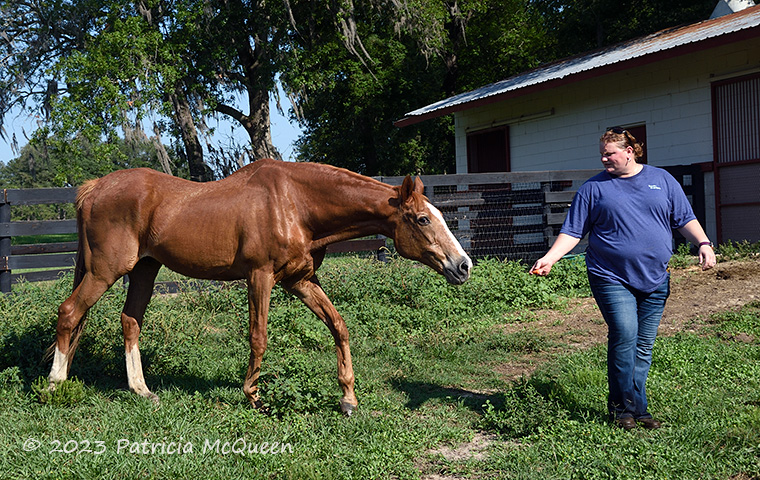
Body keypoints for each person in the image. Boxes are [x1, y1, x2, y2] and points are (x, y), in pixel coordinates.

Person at [530, 127, 716, 430]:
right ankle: (622, 409)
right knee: (625, 334)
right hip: (610, 275)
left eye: (610, 153)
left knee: (643, 345)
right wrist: (550, 258)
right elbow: (573, 231)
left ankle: (637, 409)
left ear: (630, 151)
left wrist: (704, 244)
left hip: (656, 278)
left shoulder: (662, 180)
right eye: (602, 153)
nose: (604, 158)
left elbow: (685, 219)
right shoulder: (594, 189)